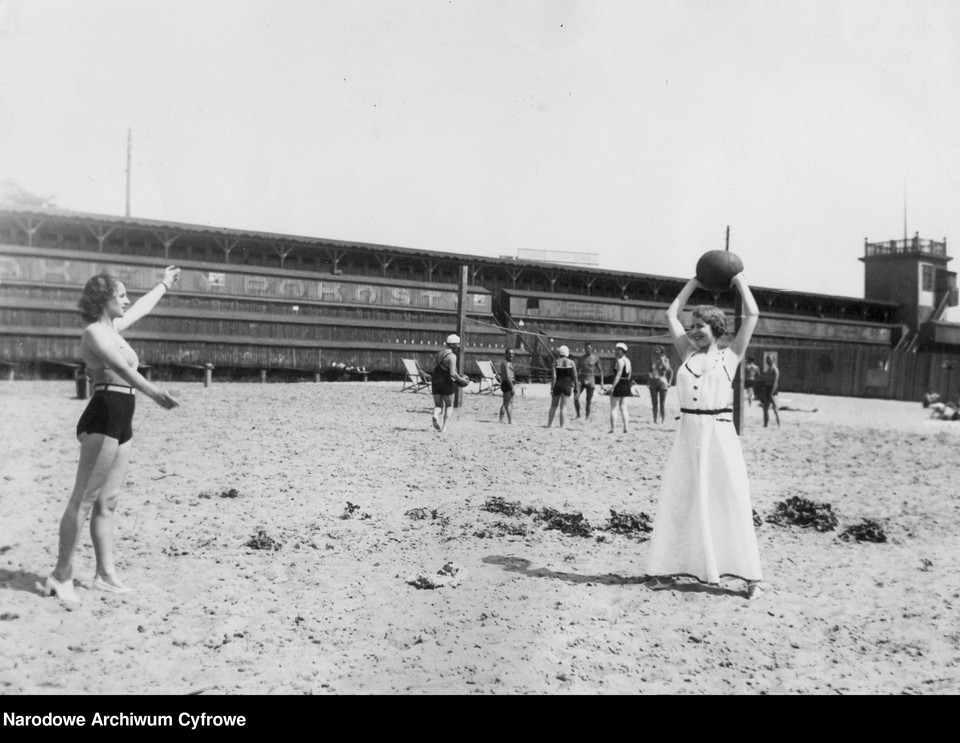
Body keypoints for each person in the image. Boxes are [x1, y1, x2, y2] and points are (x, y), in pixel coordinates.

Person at [43, 267, 182, 603]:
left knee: (109, 502)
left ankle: (105, 574)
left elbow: (142, 308)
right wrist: (156, 394)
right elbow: (121, 370)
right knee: (84, 500)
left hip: (123, 416)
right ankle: (61, 576)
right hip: (103, 414)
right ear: (103, 299)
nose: (126, 300)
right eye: (120, 295)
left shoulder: (114, 328)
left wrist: (164, 283)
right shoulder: (93, 333)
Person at [645, 273, 764, 600]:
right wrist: (695, 282)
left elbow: (752, 315)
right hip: (687, 435)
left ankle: (751, 578)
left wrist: (738, 280)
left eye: (701, 326)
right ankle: (666, 570)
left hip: (720, 435)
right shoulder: (686, 353)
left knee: (731, 500)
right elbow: (671, 314)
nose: (694, 330)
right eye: (692, 325)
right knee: (680, 499)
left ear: (717, 329)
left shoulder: (731, 356)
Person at [431, 334, 470, 432]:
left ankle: (435, 415)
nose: (458, 346)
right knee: (449, 405)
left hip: (435, 381)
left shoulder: (439, 353)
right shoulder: (452, 356)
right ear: (452, 345)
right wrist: (462, 380)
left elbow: (436, 367)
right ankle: (444, 428)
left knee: (438, 405)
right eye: (457, 344)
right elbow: (452, 373)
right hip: (446, 382)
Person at [547, 345, 579, 428]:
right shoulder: (572, 362)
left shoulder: (555, 362)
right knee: (563, 407)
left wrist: (552, 388)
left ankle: (549, 424)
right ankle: (561, 426)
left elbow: (554, 377)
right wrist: (576, 387)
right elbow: (575, 376)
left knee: (553, 406)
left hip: (558, 384)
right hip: (567, 385)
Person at [573, 342, 603, 420]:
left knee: (588, 400)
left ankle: (587, 416)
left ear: (592, 349)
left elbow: (600, 370)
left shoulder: (595, 358)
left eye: (589, 348)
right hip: (581, 379)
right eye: (586, 348)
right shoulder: (581, 358)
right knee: (576, 397)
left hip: (590, 379)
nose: (587, 350)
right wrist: (574, 381)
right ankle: (578, 415)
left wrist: (602, 381)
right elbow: (576, 370)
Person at [608, 342, 633, 433]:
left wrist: (612, 387)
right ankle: (626, 428)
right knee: (624, 407)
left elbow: (618, 375)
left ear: (622, 351)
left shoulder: (619, 361)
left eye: (617, 350)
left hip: (619, 384)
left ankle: (613, 428)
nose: (616, 351)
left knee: (614, 407)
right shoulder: (628, 361)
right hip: (626, 383)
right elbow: (629, 374)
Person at [646, 346, 673, 424]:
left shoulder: (666, 360)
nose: (656, 352)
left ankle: (663, 420)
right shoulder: (653, 360)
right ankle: (655, 419)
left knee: (662, 403)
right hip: (653, 381)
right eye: (655, 351)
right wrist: (649, 378)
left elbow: (669, 370)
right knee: (654, 402)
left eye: (658, 351)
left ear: (662, 352)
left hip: (663, 381)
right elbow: (649, 370)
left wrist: (670, 382)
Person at [757, 355, 781, 428]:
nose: (767, 361)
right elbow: (766, 381)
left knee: (775, 409)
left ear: (773, 360)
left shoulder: (775, 370)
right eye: (766, 359)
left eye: (769, 359)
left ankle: (779, 425)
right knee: (765, 409)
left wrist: (771, 393)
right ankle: (765, 424)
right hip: (767, 389)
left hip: (773, 390)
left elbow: (775, 382)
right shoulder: (768, 369)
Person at [499, 348, 516, 424]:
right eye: (509, 353)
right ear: (506, 354)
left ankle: (501, 419)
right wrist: (512, 387)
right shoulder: (507, 364)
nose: (511, 355)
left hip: (505, 383)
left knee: (505, 403)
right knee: (508, 403)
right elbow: (508, 376)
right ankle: (510, 421)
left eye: (512, 354)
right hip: (508, 384)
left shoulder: (504, 363)